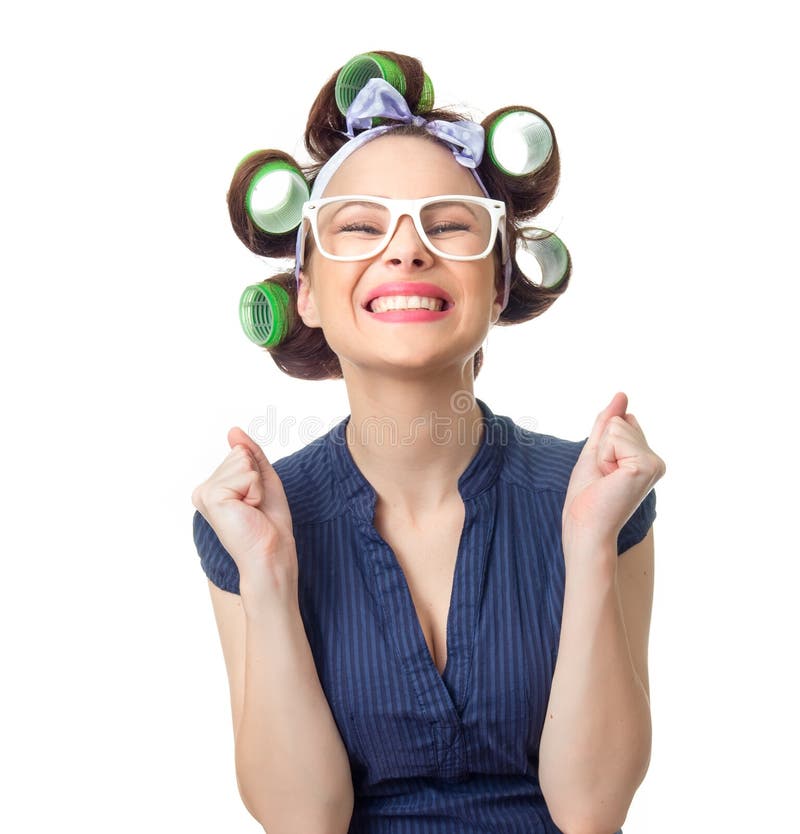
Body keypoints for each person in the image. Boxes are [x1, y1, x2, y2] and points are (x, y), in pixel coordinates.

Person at [191, 50, 666, 834]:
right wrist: (270, 580)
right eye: (360, 227)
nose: (406, 250)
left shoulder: (595, 494)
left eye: (448, 225)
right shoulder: (252, 523)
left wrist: (587, 544)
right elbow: (303, 822)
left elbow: (592, 813)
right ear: (305, 292)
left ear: (500, 281)